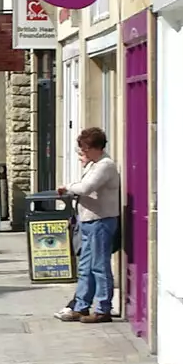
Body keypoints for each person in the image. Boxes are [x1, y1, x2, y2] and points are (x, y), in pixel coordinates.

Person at [57, 126, 122, 324]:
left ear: (96, 148)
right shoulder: (93, 164)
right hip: (88, 220)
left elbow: (85, 188)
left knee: (99, 266)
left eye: (85, 149)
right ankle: (81, 306)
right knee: (85, 267)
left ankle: (103, 308)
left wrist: (68, 188)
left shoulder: (105, 165)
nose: (82, 153)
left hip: (100, 221)